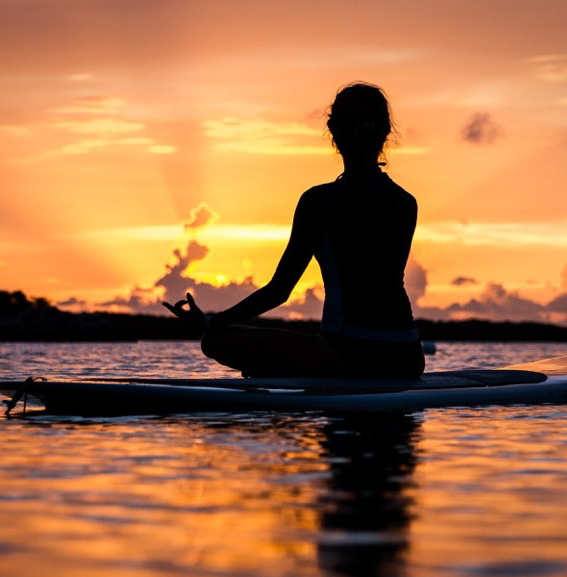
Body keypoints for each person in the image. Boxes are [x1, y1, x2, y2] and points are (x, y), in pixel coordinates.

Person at [164, 82, 424, 378]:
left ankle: (274, 373)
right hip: (407, 357)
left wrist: (211, 321)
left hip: (347, 355)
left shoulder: (319, 202)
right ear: (385, 133)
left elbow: (279, 290)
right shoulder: (405, 202)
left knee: (215, 340)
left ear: (334, 133)